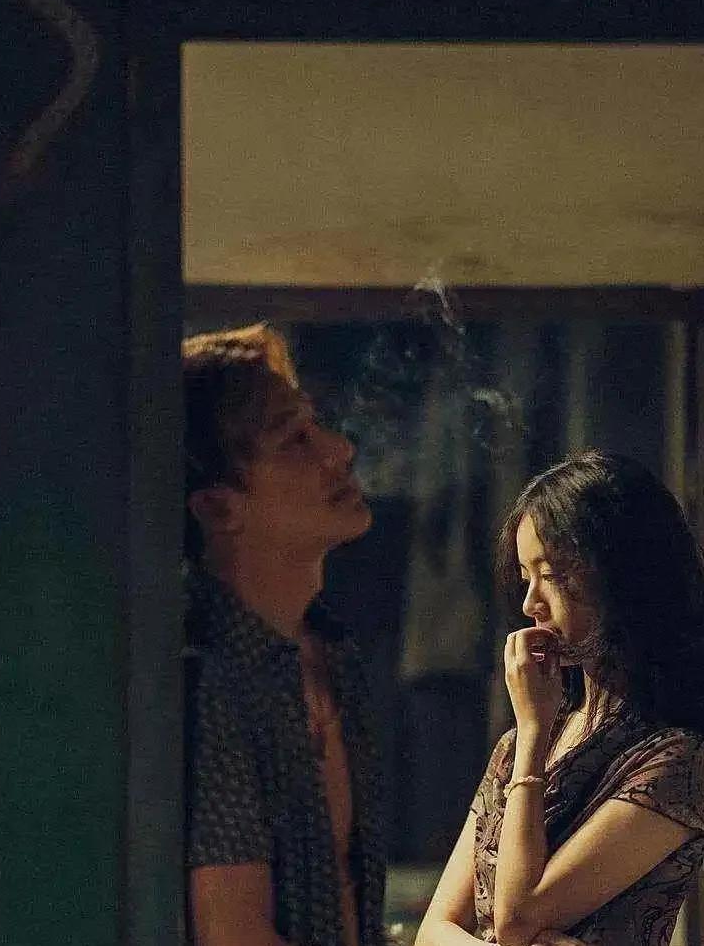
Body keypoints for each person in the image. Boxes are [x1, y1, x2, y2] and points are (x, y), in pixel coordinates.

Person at [416, 450, 704, 946]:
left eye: (552, 575)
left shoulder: (680, 759)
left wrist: (534, 734)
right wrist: (530, 735)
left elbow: (517, 919)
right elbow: (433, 931)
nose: (530, 603)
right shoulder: (516, 744)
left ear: (623, 576)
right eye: (526, 577)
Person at [182, 323, 387, 946]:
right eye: (294, 439)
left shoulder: (333, 654)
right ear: (219, 507)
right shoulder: (210, 676)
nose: (339, 450)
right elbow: (233, 934)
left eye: (314, 425)